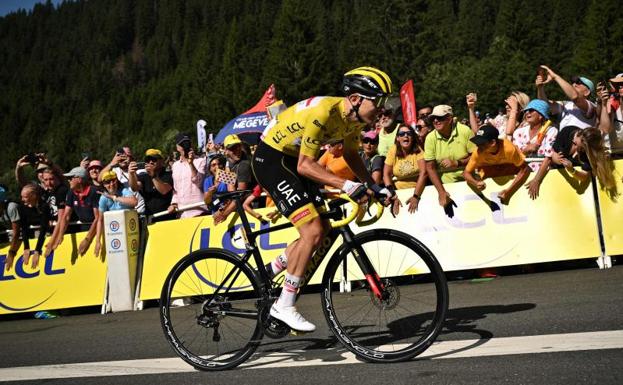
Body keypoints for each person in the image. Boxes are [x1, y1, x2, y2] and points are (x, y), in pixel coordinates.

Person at [251, 66, 395, 332]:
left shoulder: (354, 119)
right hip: (271, 159)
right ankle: (284, 304)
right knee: (313, 230)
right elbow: (306, 166)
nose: (383, 109)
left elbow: (352, 156)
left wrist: (374, 186)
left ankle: (271, 269)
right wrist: (348, 186)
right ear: (355, 99)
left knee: (323, 228)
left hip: (292, 160)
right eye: (378, 101)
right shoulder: (324, 112)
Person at [526, 126, 618, 199]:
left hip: (567, 190)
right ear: (580, 135)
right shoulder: (567, 131)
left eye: (583, 148)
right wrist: (536, 180)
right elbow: (548, 157)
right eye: (578, 145)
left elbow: (584, 177)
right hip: (551, 178)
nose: (580, 149)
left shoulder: (587, 152)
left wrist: (572, 170)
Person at [424, 104, 476, 214]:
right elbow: (430, 168)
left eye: (440, 118)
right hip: (446, 187)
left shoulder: (465, 131)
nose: (436, 121)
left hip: (470, 183)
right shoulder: (430, 138)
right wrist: (441, 192)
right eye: (433, 118)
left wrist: (457, 163)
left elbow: (476, 157)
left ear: (449, 118)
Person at [463, 124, 531, 205]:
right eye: (477, 143)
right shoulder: (477, 152)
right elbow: (465, 173)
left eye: (482, 144)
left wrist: (509, 192)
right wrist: (476, 183)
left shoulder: (509, 149)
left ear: (492, 142)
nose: (478, 147)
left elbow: (525, 169)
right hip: (491, 184)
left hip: (511, 180)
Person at [47, 167, 100, 257]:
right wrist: (60, 235)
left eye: (71, 178)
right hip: (83, 227)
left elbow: (97, 218)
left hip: (96, 228)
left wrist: (87, 239)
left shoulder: (94, 192)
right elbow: (66, 216)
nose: (68, 181)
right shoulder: (71, 192)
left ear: (79, 179)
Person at [383, 124, 428, 214]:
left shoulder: (418, 150)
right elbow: (386, 174)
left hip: (419, 192)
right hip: (398, 194)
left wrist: (416, 196)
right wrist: (392, 195)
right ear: (397, 138)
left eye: (409, 133)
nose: (405, 136)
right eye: (402, 134)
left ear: (413, 137)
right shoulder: (393, 150)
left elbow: (424, 172)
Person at [211, 135, 255, 224]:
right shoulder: (228, 160)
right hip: (239, 203)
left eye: (238, 146)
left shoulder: (243, 165)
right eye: (233, 148)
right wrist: (222, 209)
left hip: (253, 204)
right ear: (226, 151)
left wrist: (224, 214)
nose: (237, 150)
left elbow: (239, 194)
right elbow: (231, 190)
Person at [95, 171, 139, 257]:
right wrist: (97, 241)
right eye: (107, 182)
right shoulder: (103, 198)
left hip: (130, 230)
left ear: (117, 181)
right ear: (104, 185)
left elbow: (134, 202)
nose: (111, 184)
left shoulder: (124, 191)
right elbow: (100, 220)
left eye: (113, 181)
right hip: (115, 232)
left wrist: (114, 197)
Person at [511, 99, 558, 173]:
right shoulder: (518, 132)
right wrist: (526, 150)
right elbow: (514, 157)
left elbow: (549, 157)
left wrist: (536, 179)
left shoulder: (551, 131)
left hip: (545, 173)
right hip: (521, 173)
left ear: (541, 116)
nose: (527, 113)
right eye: (526, 111)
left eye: (531, 110)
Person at [168, 133, 207, 218]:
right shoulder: (175, 165)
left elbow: (199, 182)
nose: (185, 146)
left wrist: (191, 163)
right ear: (177, 147)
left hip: (199, 211)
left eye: (187, 143)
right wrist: (174, 203)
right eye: (182, 144)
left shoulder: (201, 161)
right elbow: (175, 189)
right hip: (181, 214)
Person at [128, 149, 174, 221]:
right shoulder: (144, 177)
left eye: (154, 159)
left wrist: (153, 176)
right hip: (151, 219)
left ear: (161, 161)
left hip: (167, 218)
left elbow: (164, 190)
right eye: (148, 160)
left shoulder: (169, 174)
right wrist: (131, 173)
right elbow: (134, 187)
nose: (151, 162)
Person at [18, 183, 52, 269]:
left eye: (25, 197)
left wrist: (37, 250)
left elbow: (43, 228)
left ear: (33, 196)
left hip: (43, 234)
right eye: (22, 197)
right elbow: (24, 227)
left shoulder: (44, 206)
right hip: (31, 234)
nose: (22, 199)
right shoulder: (22, 207)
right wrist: (26, 247)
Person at [0, 185, 21, 272]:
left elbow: (16, 233)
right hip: (10, 237)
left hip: (22, 237)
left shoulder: (12, 207)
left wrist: (11, 253)